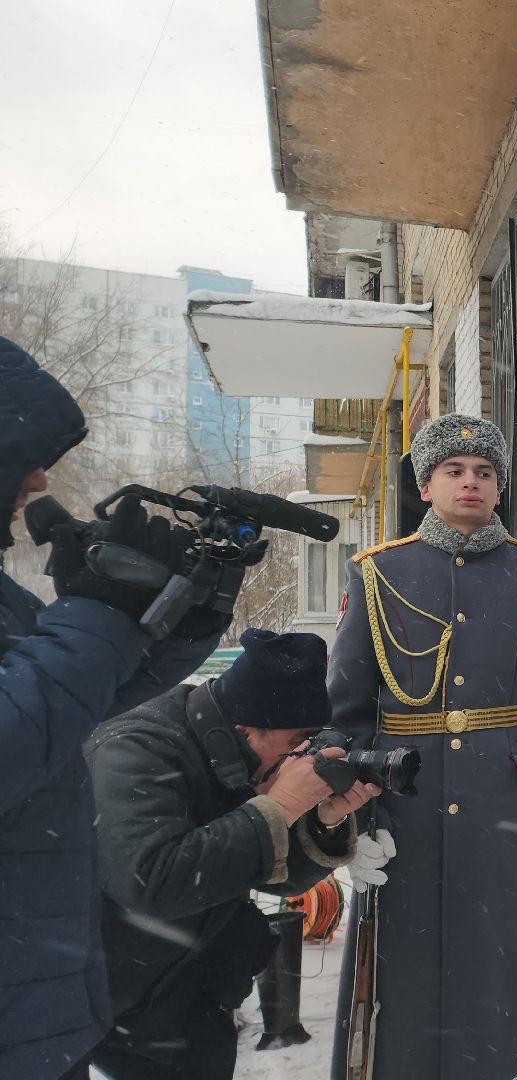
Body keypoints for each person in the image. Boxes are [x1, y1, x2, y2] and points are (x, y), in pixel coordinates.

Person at [0, 336, 232, 1080]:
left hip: (36, 1008)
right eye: (23, 454)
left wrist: (190, 602)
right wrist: (98, 611)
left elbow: (78, 702)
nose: (39, 478)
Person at [327, 413, 517, 1080]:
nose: (470, 482)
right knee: (402, 967)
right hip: (401, 802)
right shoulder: (378, 574)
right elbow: (347, 713)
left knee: (498, 958)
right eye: (454, 471)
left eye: (484, 472)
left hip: (504, 798)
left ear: (499, 488)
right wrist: (347, 820)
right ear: (427, 484)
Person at [86, 629, 379, 1080]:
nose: (299, 760)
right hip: (115, 995)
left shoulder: (234, 745)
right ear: (246, 730)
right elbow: (150, 881)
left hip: (194, 990)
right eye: (293, 744)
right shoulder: (135, 747)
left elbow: (275, 878)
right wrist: (279, 808)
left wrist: (322, 820)